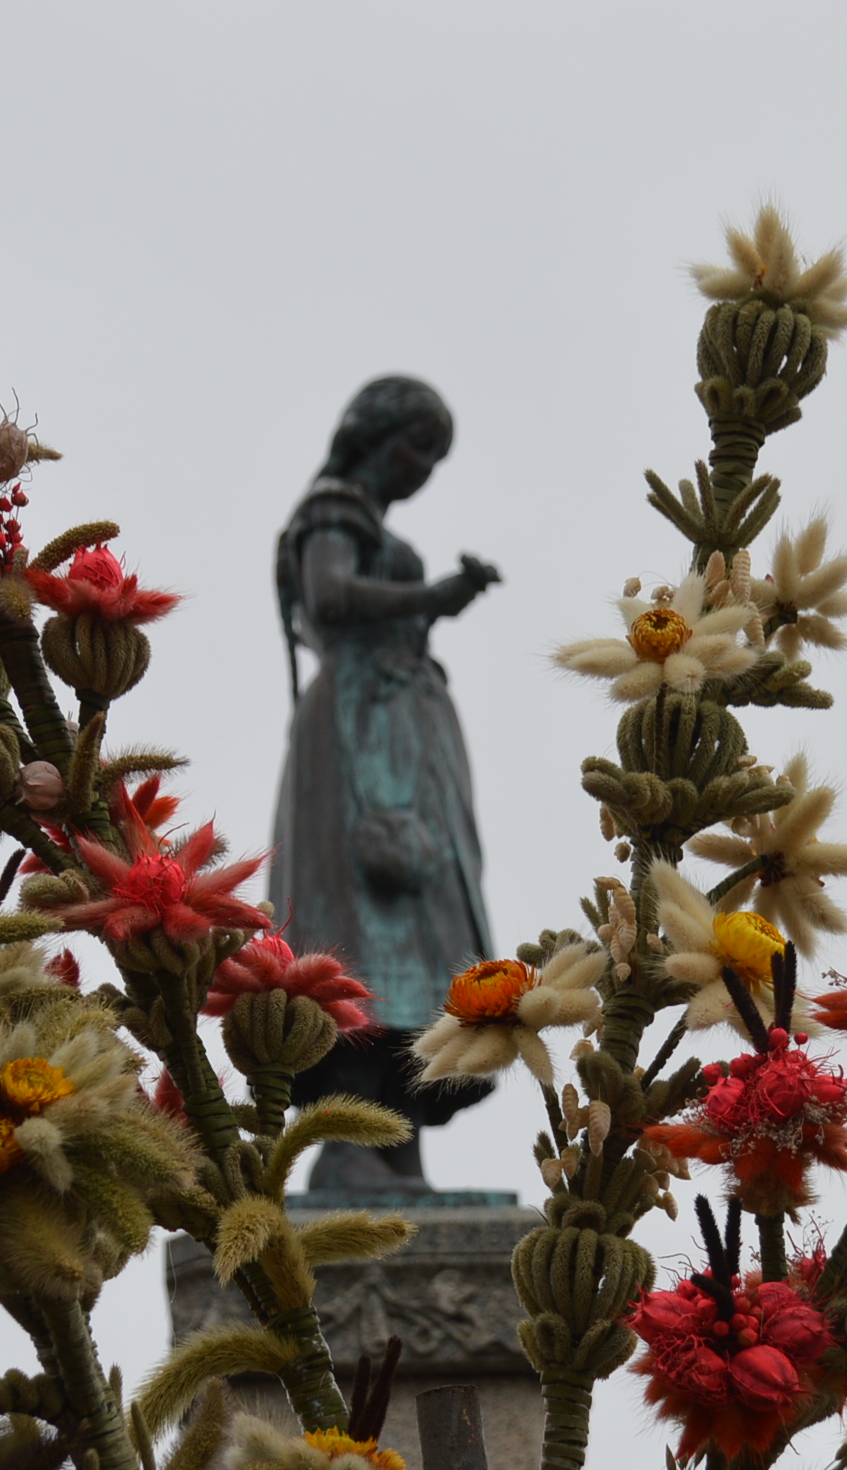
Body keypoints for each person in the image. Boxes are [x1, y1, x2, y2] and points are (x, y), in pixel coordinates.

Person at [270, 376, 502, 1197]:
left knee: (419, 914)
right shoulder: (333, 508)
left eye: (435, 458)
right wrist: (432, 596)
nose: (423, 469)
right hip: (359, 727)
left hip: (400, 724)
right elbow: (331, 596)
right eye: (416, 447)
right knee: (361, 911)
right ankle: (346, 1131)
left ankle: (393, 1137)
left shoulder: (364, 520)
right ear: (373, 434)